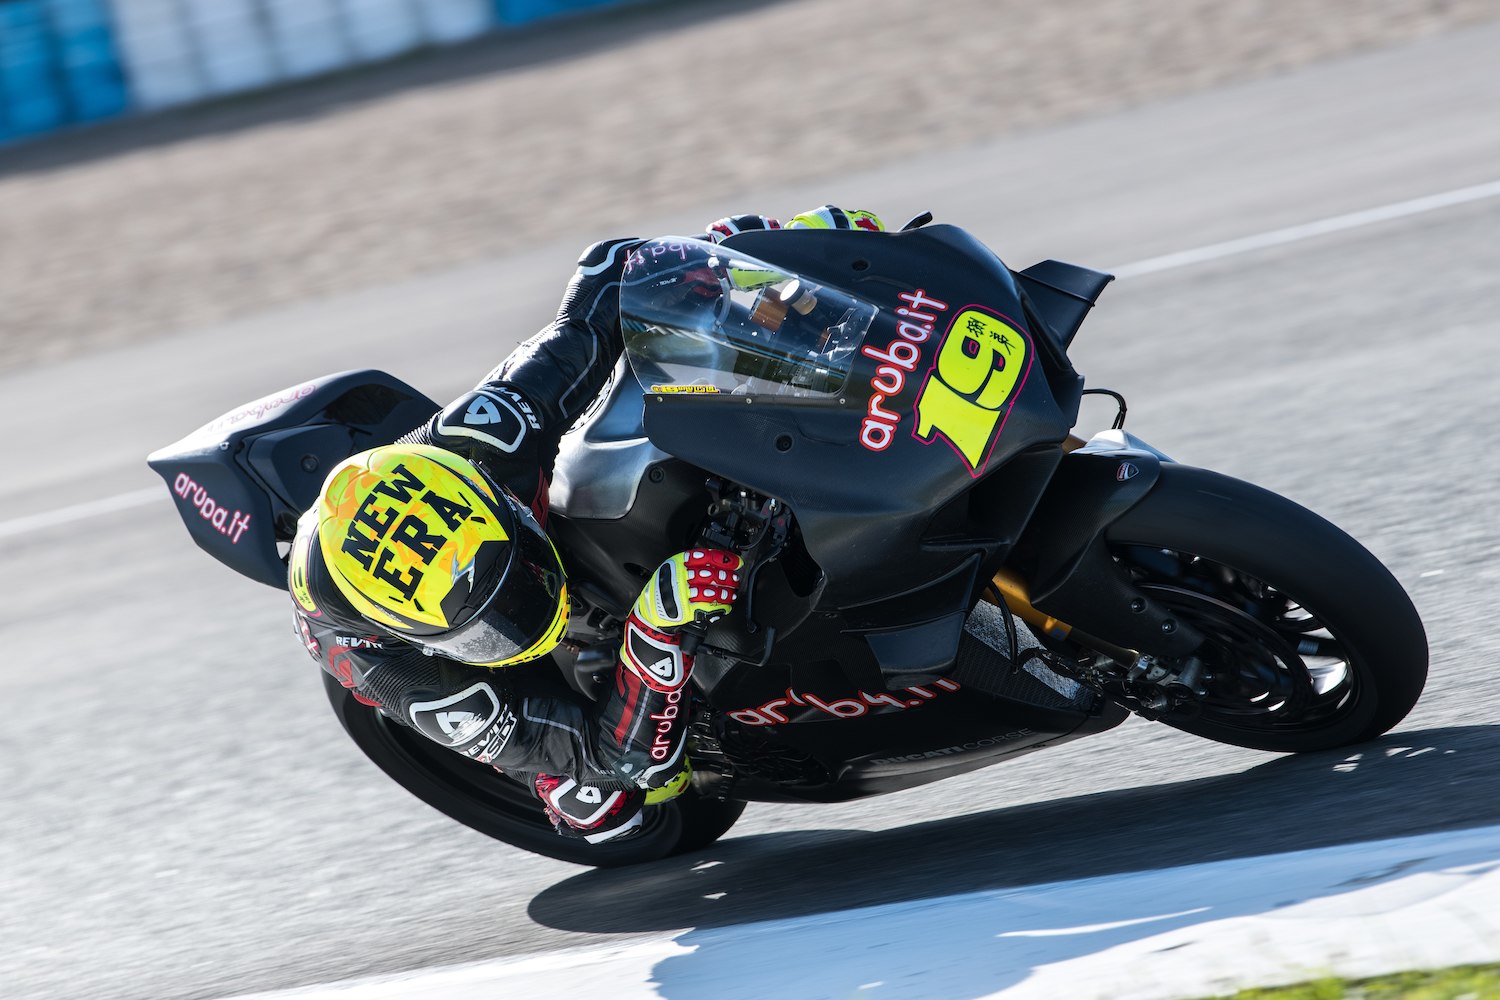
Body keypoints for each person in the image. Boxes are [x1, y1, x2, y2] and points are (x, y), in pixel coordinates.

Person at [286, 206, 886, 843]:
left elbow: (608, 274)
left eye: (517, 580)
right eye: (486, 626)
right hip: (410, 654)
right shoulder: (389, 666)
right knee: (601, 805)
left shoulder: (489, 439)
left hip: (433, 484)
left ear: (502, 501)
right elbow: (624, 760)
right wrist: (655, 631)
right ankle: (543, 772)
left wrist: (740, 259)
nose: (520, 615)